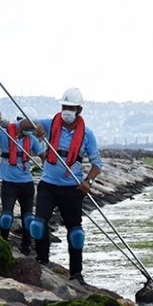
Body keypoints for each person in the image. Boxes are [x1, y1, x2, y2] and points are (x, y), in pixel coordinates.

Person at [19, 87, 103, 285]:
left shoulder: (87, 135)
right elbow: (22, 126)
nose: (67, 111)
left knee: (75, 233)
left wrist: (88, 181)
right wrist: (33, 127)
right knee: (38, 225)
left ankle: (76, 274)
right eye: (65, 106)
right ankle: (42, 261)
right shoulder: (50, 124)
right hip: (49, 184)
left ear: (79, 110)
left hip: (72, 189)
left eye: (71, 107)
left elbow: (97, 164)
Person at [0, 108, 46, 253]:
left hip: (26, 183)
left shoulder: (32, 139)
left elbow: (44, 156)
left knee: (28, 218)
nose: (31, 128)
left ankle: (26, 246)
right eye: (29, 124)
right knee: (7, 216)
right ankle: (3, 242)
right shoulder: (3, 134)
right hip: (9, 183)